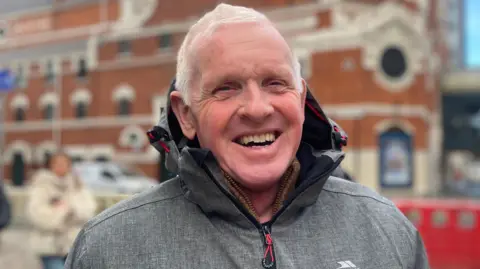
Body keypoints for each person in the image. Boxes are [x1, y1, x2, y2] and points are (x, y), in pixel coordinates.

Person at [65, 4, 428, 268]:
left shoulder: (385, 230)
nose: (256, 108)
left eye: (275, 83)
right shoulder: (110, 248)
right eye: (226, 88)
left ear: (301, 100)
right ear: (185, 115)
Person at [27, 152, 97, 269]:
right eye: (57, 163)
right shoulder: (41, 186)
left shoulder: (78, 185)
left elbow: (89, 209)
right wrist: (62, 213)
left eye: (64, 163)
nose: (61, 166)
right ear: (50, 166)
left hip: (74, 245)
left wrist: (71, 209)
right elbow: (36, 214)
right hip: (49, 246)